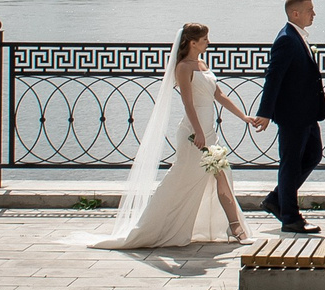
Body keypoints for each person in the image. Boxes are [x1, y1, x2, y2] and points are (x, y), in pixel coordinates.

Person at [87, 23, 266, 249]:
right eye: (205, 39)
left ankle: (235, 227)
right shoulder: (183, 67)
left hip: (209, 133)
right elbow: (187, 102)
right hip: (193, 134)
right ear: (192, 42)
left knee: (222, 177)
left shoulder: (202, 64)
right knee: (181, 181)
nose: (209, 42)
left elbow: (218, 94)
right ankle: (152, 225)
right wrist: (198, 132)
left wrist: (244, 117)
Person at [255, 0, 325, 235]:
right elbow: (273, 77)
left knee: (313, 155)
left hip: (306, 113)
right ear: (295, 13)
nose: (314, 14)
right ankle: (290, 218)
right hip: (293, 115)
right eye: (310, 10)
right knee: (290, 164)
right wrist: (265, 112)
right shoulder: (286, 39)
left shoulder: (298, 36)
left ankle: (277, 199)